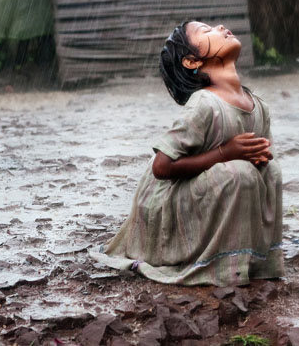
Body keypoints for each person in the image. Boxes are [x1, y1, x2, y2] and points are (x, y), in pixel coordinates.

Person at [90, 21, 284, 286]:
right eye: (206, 31)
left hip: (213, 190)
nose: (221, 26)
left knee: (270, 172)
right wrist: (224, 153)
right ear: (192, 61)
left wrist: (259, 156)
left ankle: (254, 259)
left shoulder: (258, 105)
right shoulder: (205, 103)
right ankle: (213, 263)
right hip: (168, 199)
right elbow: (162, 167)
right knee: (241, 173)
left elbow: (263, 158)